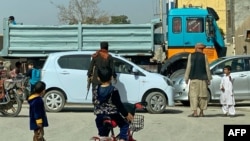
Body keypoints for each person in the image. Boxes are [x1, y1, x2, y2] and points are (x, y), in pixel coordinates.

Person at [93, 67, 133, 141]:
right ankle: (122, 139)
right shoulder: (114, 90)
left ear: (98, 78)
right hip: (112, 115)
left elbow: (94, 101)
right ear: (111, 77)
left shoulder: (95, 89)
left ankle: (103, 137)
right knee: (124, 125)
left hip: (100, 116)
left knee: (103, 133)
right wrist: (126, 114)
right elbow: (119, 105)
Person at [184, 43, 212, 117]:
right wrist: (209, 78)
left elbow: (188, 67)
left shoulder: (191, 55)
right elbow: (207, 68)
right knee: (202, 96)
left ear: (195, 48)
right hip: (203, 80)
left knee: (193, 96)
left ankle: (195, 112)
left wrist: (186, 78)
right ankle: (202, 112)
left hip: (194, 80)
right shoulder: (204, 56)